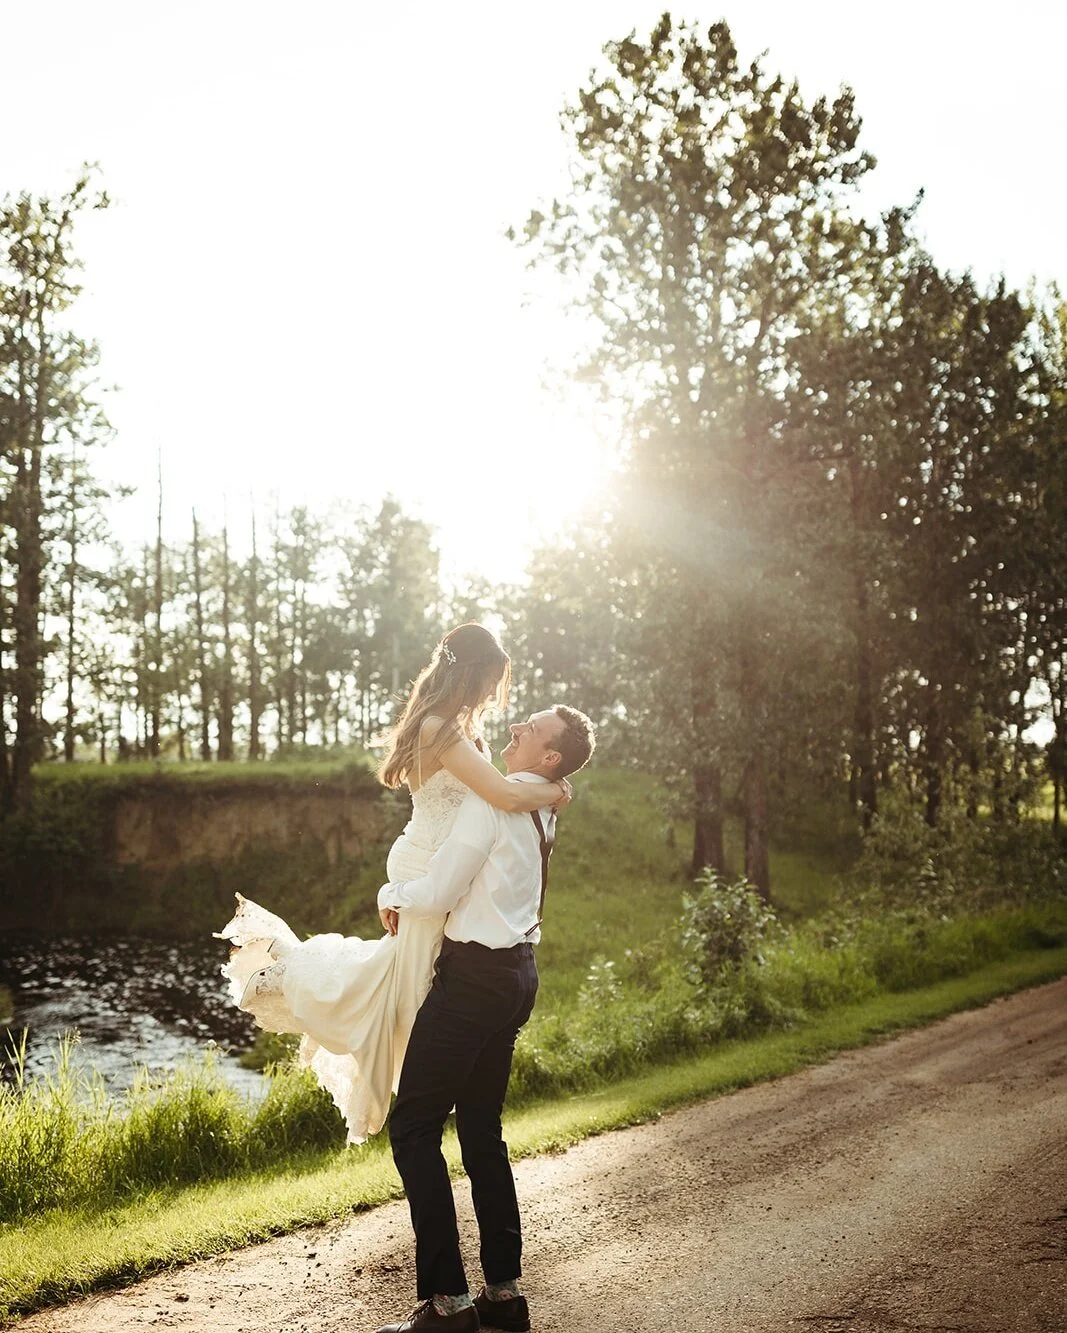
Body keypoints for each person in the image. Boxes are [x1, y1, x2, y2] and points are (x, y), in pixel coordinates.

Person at [215, 623, 571, 1143]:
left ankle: (439, 1097)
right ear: (470, 675)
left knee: (421, 981)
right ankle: (297, 978)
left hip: (445, 862)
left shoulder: (457, 726)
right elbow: (504, 795)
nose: (496, 693)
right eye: (492, 679)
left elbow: (496, 800)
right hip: (427, 865)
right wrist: (557, 789)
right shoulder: (438, 729)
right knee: (417, 990)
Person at [375, 703, 596, 1333]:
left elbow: (440, 891)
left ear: (550, 757)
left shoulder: (493, 802)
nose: (514, 730)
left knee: (414, 1127)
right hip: (519, 975)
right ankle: (505, 1295)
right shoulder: (544, 804)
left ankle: (447, 1304)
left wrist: (392, 894)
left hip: (474, 981)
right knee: (480, 1133)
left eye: (530, 729)